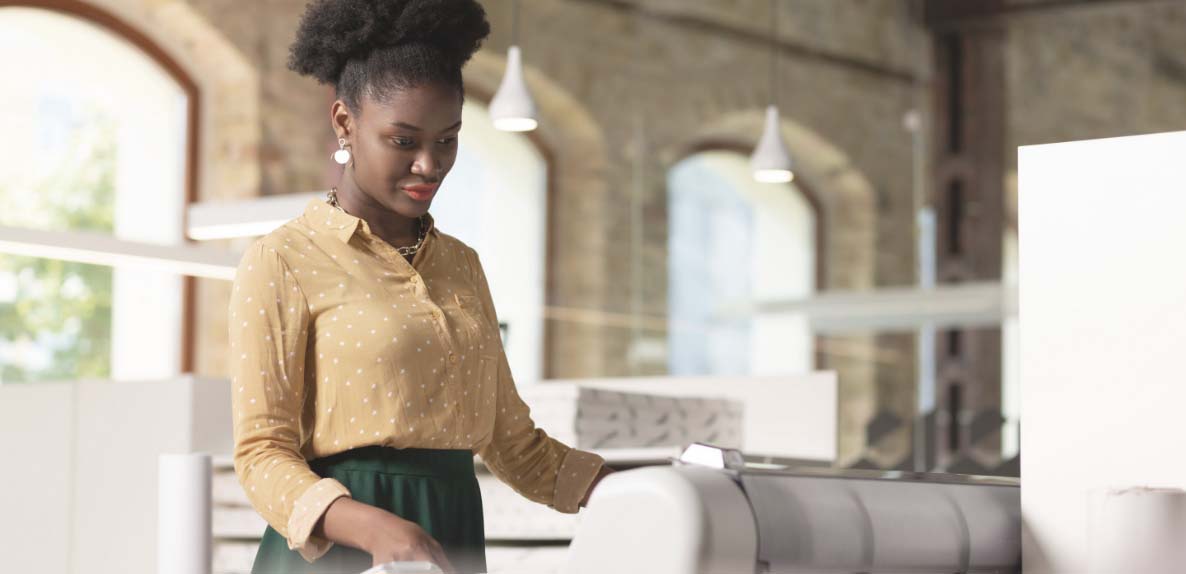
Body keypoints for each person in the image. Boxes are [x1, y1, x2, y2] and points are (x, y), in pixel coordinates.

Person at [228, 1, 614, 572]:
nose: (430, 165)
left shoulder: (462, 265)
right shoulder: (283, 259)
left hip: (451, 530)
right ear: (344, 124)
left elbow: (515, 446)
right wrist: (374, 527)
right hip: (344, 547)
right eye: (403, 142)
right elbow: (261, 453)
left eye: (448, 139)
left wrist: (638, 487)